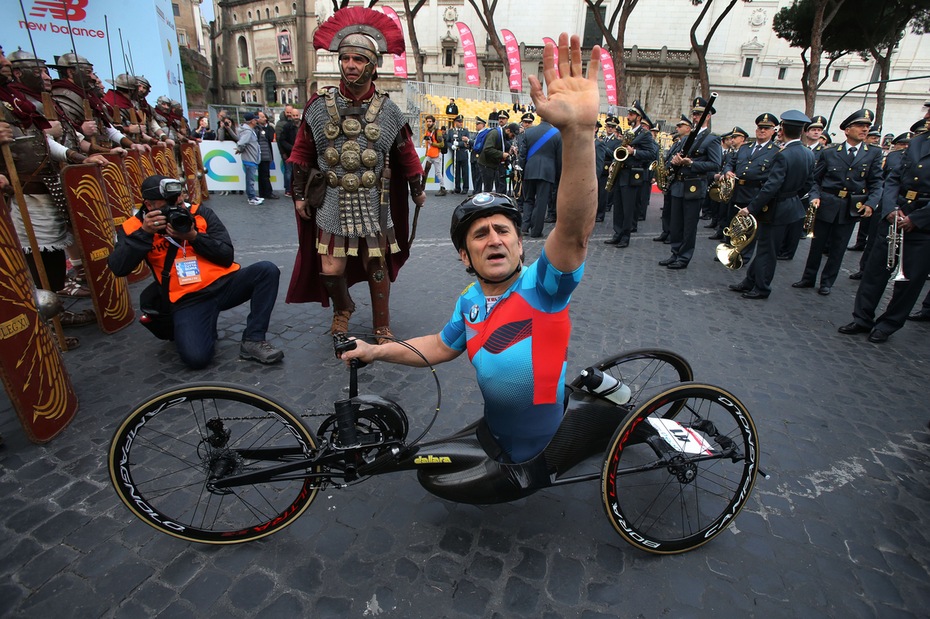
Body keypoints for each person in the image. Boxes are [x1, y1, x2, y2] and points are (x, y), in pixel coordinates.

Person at [340, 33, 600, 464]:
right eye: (480, 235)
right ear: (464, 256)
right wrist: (374, 350)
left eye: (502, 231)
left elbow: (573, 232)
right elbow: (440, 346)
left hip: (541, 449)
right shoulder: (470, 300)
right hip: (495, 433)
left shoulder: (544, 287)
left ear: (520, 245)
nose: (494, 239)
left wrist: (579, 133)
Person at [287, 6, 425, 343]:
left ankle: (381, 324)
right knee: (330, 268)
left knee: (375, 265)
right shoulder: (318, 106)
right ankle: (342, 310)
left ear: (373, 65)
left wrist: (416, 187)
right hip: (332, 199)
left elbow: (406, 153)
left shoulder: (388, 109)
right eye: (346, 58)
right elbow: (302, 153)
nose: (350, 64)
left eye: (359, 59)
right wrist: (299, 195)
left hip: (374, 200)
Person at [108, 175, 284, 367]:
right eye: (167, 205)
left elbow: (226, 255)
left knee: (266, 270)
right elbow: (119, 268)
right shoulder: (134, 227)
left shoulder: (199, 213)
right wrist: (145, 234)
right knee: (196, 359)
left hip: (224, 284)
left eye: (178, 202)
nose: (176, 208)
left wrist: (193, 236)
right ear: (149, 205)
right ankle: (202, 324)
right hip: (188, 298)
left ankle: (253, 339)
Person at [838, 104, 930, 343]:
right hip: (895, 215)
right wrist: (890, 208)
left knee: (909, 281)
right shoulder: (917, 143)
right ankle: (862, 318)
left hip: (922, 224)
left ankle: (888, 324)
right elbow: (893, 178)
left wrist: (916, 219)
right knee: (874, 271)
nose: (927, 116)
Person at [792, 109, 882, 296]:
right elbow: (815, 180)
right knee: (817, 245)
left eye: (867, 126)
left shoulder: (873, 154)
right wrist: (814, 196)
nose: (865, 129)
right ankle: (808, 277)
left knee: (838, 248)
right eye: (860, 126)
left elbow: (876, 182)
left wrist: (871, 203)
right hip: (827, 203)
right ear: (847, 130)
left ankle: (827, 282)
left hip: (850, 207)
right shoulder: (830, 153)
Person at [729, 110, 815, 299]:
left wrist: (751, 208)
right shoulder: (808, 153)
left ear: (782, 129)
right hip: (790, 206)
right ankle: (750, 281)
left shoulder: (783, 154)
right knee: (766, 248)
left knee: (767, 251)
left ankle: (762, 287)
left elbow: (771, 186)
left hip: (776, 208)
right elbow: (808, 184)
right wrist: (791, 196)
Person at [660, 97, 723, 269]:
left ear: (708, 116)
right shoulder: (687, 138)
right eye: (694, 114)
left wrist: (692, 163)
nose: (695, 117)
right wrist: (674, 161)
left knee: (689, 225)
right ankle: (675, 253)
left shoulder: (711, 139)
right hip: (678, 185)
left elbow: (715, 165)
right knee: (676, 223)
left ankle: (684, 256)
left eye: (699, 114)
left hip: (694, 186)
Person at [717, 114, 779, 265]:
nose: (762, 131)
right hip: (737, 191)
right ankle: (729, 250)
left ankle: (743, 256)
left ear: (773, 131)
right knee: (731, 223)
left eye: (766, 128)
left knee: (750, 228)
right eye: (760, 128)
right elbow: (730, 163)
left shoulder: (776, 151)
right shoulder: (745, 148)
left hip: (755, 193)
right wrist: (727, 171)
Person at [603, 100, 657, 248]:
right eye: (629, 114)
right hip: (621, 173)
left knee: (628, 208)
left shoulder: (645, 134)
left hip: (632, 175)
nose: (628, 116)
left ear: (638, 117)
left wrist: (635, 152)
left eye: (631, 114)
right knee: (618, 206)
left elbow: (652, 154)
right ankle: (617, 233)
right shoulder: (629, 133)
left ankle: (625, 237)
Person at [517, 110, 561, 237]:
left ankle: (524, 227)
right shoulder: (557, 134)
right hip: (547, 172)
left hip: (529, 170)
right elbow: (559, 159)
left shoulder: (528, 132)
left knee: (528, 200)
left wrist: (522, 171)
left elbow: (522, 155)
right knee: (541, 202)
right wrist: (558, 176)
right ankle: (536, 231)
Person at [235, 113, 262, 205]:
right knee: (250, 180)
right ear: (251, 121)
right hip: (250, 158)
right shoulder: (248, 131)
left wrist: (240, 149)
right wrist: (239, 149)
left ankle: (252, 196)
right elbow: (242, 142)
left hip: (251, 157)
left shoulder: (249, 130)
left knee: (250, 179)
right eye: (255, 119)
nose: (256, 121)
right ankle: (251, 198)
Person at [422, 114, 447, 196]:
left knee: (438, 173)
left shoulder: (437, 132)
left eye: (430, 121)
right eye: (427, 121)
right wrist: (426, 153)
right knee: (423, 170)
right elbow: (427, 145)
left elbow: (442, 144)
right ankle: (421, 188)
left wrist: (432, 143)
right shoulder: (428, 131)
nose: (428, 123)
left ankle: (443, 188)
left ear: (433, 122)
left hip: (436, 155)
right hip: (429, 155)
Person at [275, 105, 298, 197]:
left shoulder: (299, 125)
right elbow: (280, 140)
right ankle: (288, 189)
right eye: (288, 113)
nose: (290, 115)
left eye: (296, 115)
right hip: (287, 152)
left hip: (297, 153)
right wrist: (283, 152)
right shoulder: (283, 125)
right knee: (288, 171)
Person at [446, 114, 471, 194]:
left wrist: (459, 144)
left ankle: (465, 188)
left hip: (463, 153)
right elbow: (447, 141)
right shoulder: (451, 131)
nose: (461, 123)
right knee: (456, 172)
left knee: (465, 172)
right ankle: (457, 188)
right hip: (455, 154)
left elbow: (467, 143)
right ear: (455, 122)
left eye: (461, 122)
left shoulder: (465, 131)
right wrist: (451, 146)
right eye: (459, 122)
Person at [470, 116, 488, 195]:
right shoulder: (477, 134)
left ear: (482, 125)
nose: (476, 125)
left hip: (479, 156)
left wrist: (469, 141)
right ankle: (475, 190)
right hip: (473, 156)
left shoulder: (484, 134)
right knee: (474, 175)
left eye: (478, 124)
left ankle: (477, 191)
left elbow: (479, 145)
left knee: (478, 176)